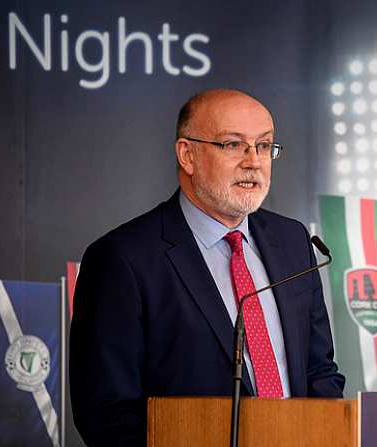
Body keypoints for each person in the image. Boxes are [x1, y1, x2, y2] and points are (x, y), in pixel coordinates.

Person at [69, 89, 345, 446]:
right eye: (233, 145)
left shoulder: (293, 241)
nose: (254, 162)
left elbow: (319, 371)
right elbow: (106, 412)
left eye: (264, 146)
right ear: (188, 154)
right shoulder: (123, 258)